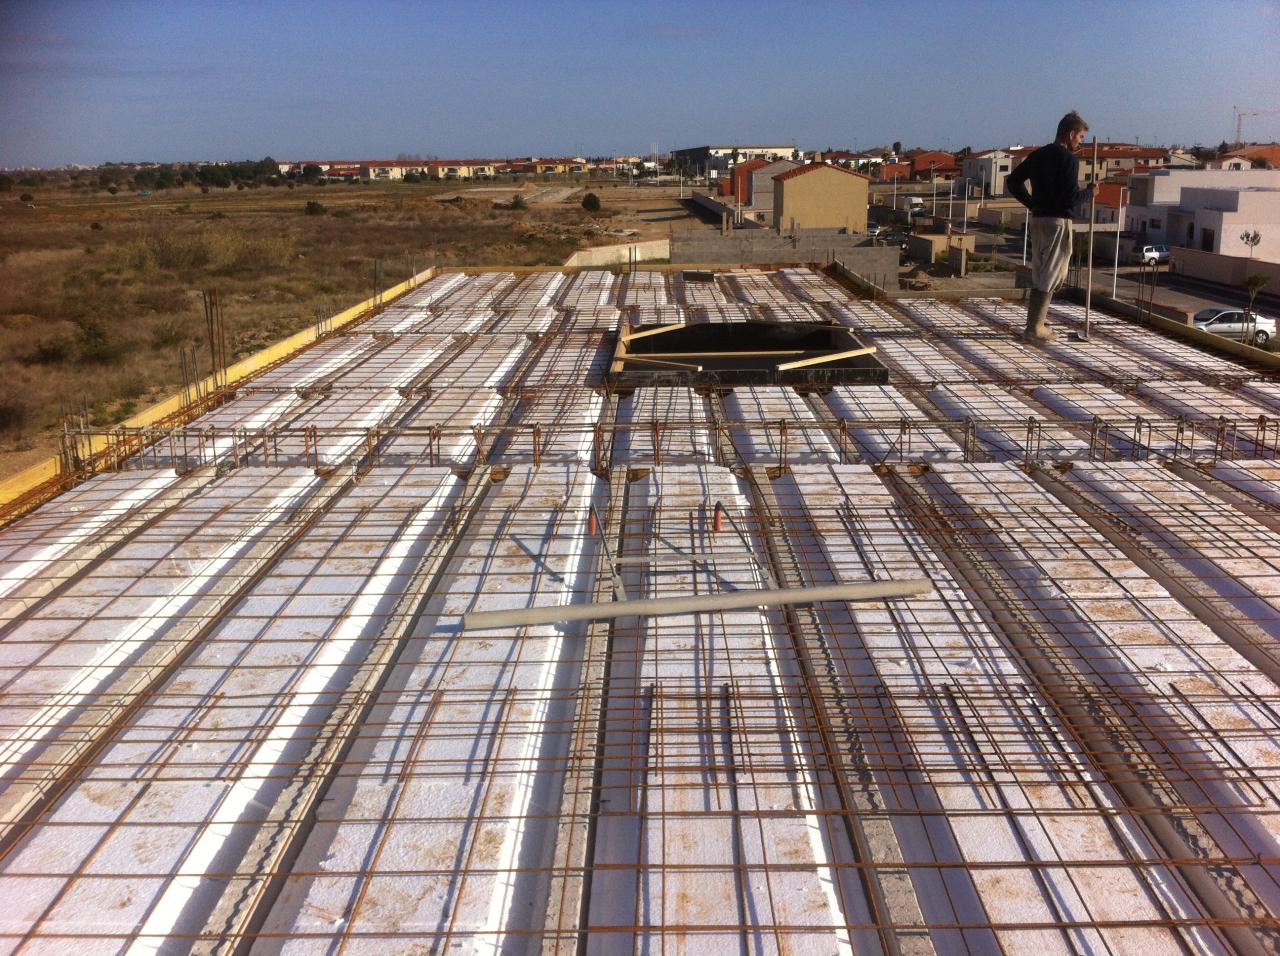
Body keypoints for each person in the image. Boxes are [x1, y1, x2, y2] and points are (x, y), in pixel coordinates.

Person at [1007, 111, 1094, 340]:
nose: (1080, 142)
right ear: (1071, 133)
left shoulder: (1038, 155)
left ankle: (1035, 324)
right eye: (1081, 137)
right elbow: (1071, 199)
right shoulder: (1068, 160)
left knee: (1041, 271)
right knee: (1053, 273)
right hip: (1057, 222)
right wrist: (1090, 193)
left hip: (1038, 220)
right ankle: (1035, 328)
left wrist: (1032, 203)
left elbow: (1013, 181)